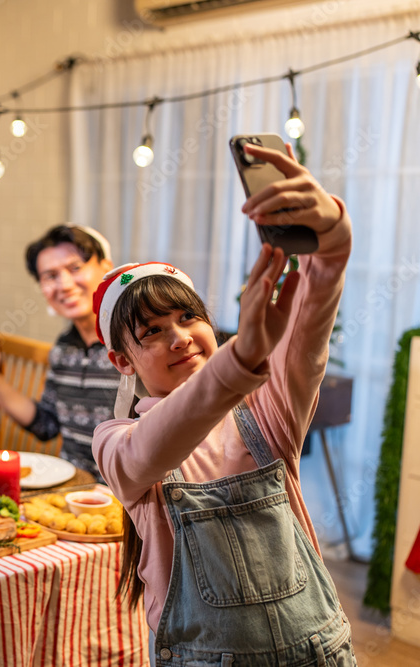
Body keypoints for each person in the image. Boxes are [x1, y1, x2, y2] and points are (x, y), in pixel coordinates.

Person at [93, 144, 356, 664]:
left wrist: (332, 242)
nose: (180, 338)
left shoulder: (266, 411)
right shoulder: (117, 441)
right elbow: (156, 443)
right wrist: (243, 356)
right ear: (123, 362)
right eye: (153, 331)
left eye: (188, 318)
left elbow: (310, 322)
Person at [0, 225, 120, 476]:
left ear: (106, 269)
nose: (65, 284)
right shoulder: (64, 347)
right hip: (75, 490)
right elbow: (45, 425)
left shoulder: (135, 340)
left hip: (131, 500)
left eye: (75, 268)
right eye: (50, 276)